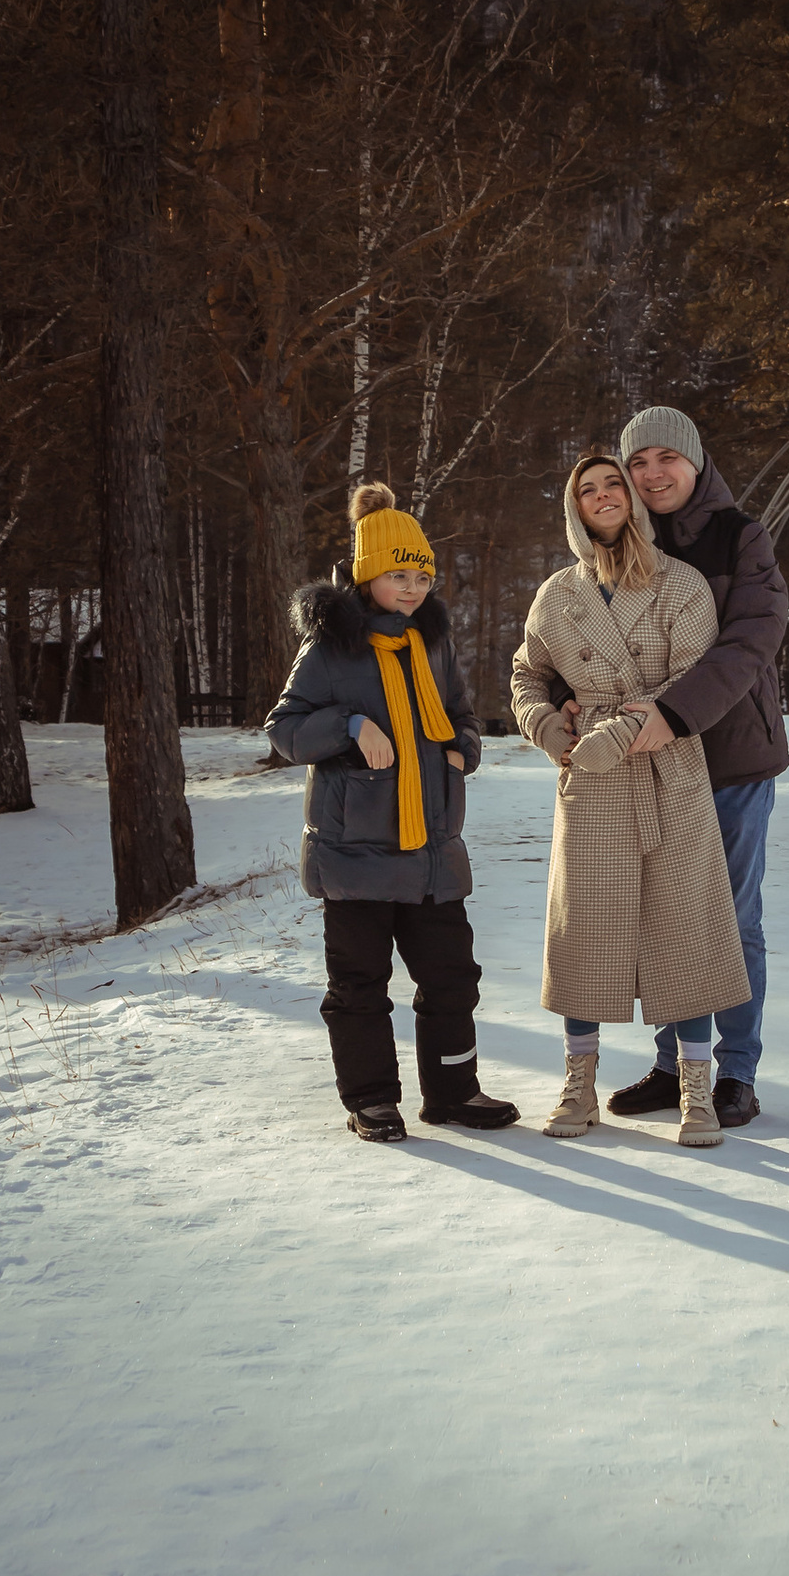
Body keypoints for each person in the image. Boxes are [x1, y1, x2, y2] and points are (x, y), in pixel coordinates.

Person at [265, 482, 520, 1145]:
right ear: (367, 575)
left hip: (432, 850)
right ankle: (372, 1100)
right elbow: (284, 729)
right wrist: (349, 725)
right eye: (398, 576)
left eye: (422, 577)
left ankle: (454, 1093)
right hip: (355, 854)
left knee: (452, 979)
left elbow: (462, 714)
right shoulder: (329, 648)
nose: (412, 589)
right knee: (359, 986)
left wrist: (462, 750)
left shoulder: (431, 644)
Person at [511, 452, 750, 1151]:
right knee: (584, 930)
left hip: (668, 766)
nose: (602, 494)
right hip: (588, 779)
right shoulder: (557, 594)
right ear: (575, 509)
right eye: (586, 489)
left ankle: (696, 1090)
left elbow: (690, 680)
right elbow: (528, 672)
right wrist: (548, 727)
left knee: (685, 926)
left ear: (632, 498)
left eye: (612, 482)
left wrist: (617, 734)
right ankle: (579, 1084)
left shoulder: (682, 584)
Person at [601, 401, 789, 1128]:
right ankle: (675, 1065)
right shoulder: (621, 540)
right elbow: (589, 631)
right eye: (638, 462)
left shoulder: (741, 537)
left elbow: (750, 640)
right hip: (649, 761)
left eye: (667, 458)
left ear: (697, 460)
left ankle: (736, 1072)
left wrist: (674, 714)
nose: (653, 474)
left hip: (731, 759)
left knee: (731, 919)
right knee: (664, 917)